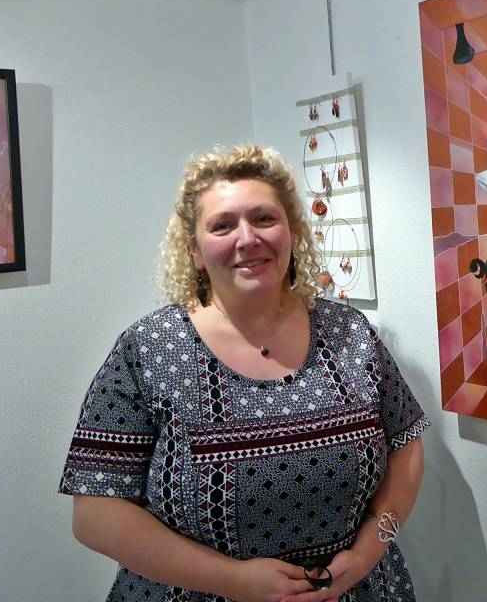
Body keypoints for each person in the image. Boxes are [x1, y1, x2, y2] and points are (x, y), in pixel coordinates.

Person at [60, 144, 430, 602]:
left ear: (292, 232)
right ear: (194, 251)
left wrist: (370, 551)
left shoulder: (349, 332)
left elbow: (406, 443)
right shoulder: (149, 348)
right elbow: (95, 513)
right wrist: (232, 580)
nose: (248, 238)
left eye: (264, 218)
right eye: (222, 225)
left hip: (355, 590)